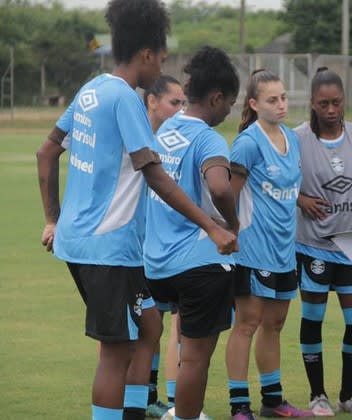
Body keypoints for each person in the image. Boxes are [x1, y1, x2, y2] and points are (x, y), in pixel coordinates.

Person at [35, 1, 237, 419]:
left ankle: (134, 413)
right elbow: (155, 174)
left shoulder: (91, 90)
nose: (162, 65)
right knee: (116, 352)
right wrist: (212, 227)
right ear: (147, 54)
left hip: (79, 240)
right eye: (162, 57)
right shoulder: (125, 99)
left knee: (148, 326)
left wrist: (53, 218)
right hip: (109, 248)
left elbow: (46, 151)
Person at [144, 46, 241, 420]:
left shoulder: (166, 128)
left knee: (157, 343)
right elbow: (219, 187)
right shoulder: (209, 139)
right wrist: (231, 224)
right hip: (200, 263)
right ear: (216, 98)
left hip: (157, 264)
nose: (228, 111)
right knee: (195, 357)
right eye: (229, 103)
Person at [292, 67, 352, 416]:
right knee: (312, 317)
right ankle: (318, 395)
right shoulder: (297, 138)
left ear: (345, 101)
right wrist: (301, 199)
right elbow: (282, 181)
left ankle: (347, 396)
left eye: (337, 103)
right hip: (314, 243)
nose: (331, 110)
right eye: (323, 104)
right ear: (312, 104)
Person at [225, 69, 312, 419]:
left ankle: (273, 401)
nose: (281, 105)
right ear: (254, 104)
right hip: (253, 251)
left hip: (283, 252)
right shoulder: (248, 142)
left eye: (284, 97)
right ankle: (238, 404)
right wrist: (229, 237)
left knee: (274, 325)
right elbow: (227, 198)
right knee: (246, 324)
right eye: (272, 99)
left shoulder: (293, 139)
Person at [141, 74, 187, 418]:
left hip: (163, 245)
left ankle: (161, 398)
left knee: (157, 323)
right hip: (133, 247)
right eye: (174, 102)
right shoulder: (138, 135)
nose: (180, 109)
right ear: (152, 101)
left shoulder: (170, 140)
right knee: (138, 326)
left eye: (184, 102)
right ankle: (142, 396)